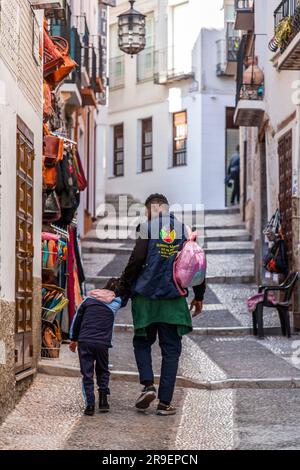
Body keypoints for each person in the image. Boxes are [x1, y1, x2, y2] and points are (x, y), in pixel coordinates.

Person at [119, 194, 206, 416]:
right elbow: (196, 263)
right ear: (166, 209)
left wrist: (123, 289)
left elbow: (136, 261)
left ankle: (148, 386)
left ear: (149, 210)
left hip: (146, 299)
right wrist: (199, 296)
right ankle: (165, 403)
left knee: (142, 342)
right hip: (173, 300)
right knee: (171, 351)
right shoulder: (184, 229)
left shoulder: (145, 228)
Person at [69, 278, 127, 416]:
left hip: (85, 341)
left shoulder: (87, 301)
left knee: (87, 373)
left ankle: (89, 404)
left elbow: (77, 320)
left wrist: (73, 339)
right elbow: (125, 297)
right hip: (102, 343)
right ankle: (103, 401)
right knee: (103, 370)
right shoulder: (115, 303)